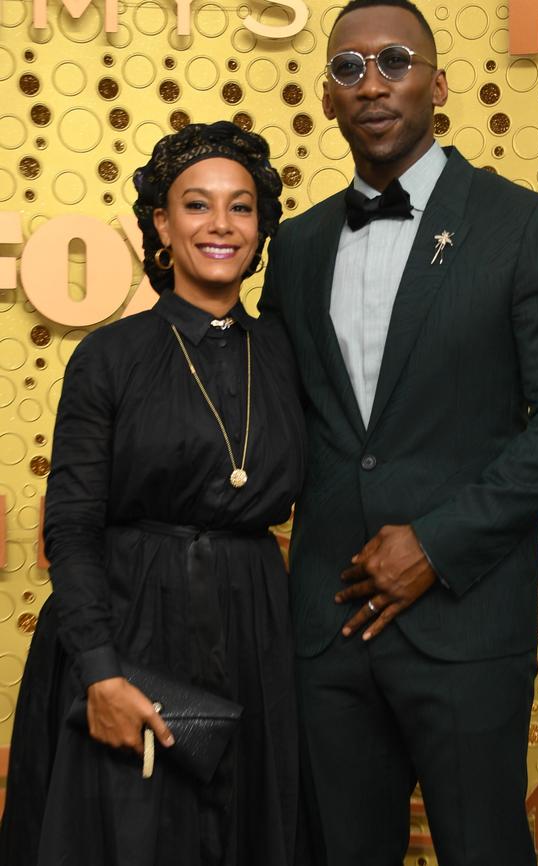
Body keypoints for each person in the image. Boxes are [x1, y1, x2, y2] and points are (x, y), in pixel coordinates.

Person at [259, 1, 538, 864]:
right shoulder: (296, 246)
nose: (371, 83)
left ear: (438, 83)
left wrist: (437, 542)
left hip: (465, 620)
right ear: (327, 97)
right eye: (348, 68)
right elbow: (279, 422)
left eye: (394, 61)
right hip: (326, 631)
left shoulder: (519, 225)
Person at [0, 121, 306, 866]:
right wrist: (99, 671)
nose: (221, 225)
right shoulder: (111, 355)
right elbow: (71, 527)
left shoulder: (287, 353)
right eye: (196, 206)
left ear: (261, 227)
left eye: (241, 207)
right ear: (162, 225)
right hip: (128, 629)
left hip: (252, 629)